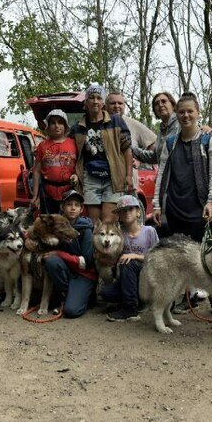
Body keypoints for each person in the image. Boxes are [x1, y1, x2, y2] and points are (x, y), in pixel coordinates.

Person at [152, 92, 212, 316]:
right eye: (181, 112)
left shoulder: (209, 139)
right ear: (177, 113)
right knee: (178, 255)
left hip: (200, 207)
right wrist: (157, 203)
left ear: (197, 112)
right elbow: (162, 172)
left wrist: (211, 201)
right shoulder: (171, 142)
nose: (185, 116)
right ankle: (183, 298)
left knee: (205, 254)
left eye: (189, 111)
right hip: (174, 206)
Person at [70, 84, 133, 223]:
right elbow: (67, 148)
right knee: (95, 222)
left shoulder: (115, 121)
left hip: (113, 177)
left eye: (99, 98)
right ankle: (95, 245)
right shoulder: (77, 127)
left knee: (108, 221)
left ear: (103, 102)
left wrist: (128, 175)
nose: (95, 101)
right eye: (91, 98)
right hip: (90, 178)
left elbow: (127, 149)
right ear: (86, 102)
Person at [38, 190, 96, 318]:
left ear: (81, 209)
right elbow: (36, 232)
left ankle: (84, 296)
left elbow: (86, 262)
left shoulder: (86, 229)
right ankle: (68, 295)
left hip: (83, 274)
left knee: (71, 311)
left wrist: (60, 254)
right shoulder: (55, 223)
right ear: (62, 207)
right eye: (69, 204)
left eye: (77, 205)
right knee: (51, 261)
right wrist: (27, 241)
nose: (73, 208)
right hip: (65, 271)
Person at [101, 195, 159, 322]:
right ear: (119, 216)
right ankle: (140, 302)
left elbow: (158, 258)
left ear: (138, 212)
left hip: (147, 276)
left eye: (130, 209)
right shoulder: (118, 234)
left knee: (129, 262)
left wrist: (135, 256)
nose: (126, 213)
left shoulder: (149, 231)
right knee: (106, 293)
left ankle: (130, 309)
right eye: (123, 211)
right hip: (128, 280)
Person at [105, 91, 157, 190]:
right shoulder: (99, 123)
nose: (117, 106)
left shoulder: (133, 124)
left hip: (128, 185)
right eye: (113, 103)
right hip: (105, 183)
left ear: (124, 106)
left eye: (120, 103)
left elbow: (155, 145)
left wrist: (140, 160)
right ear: (105, 106)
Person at [31, 109, 78, 215]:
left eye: (60, 122)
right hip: (47, 193)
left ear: (66, 126)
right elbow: (36, 171)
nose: (56, 126)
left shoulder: (74, 144)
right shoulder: (42, 145)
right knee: (48, 223)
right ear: (48, 126)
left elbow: (80, 165)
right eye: (53, 123)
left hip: (69, 193)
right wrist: (35, 195)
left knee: (67, 224)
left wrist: (76, 175)